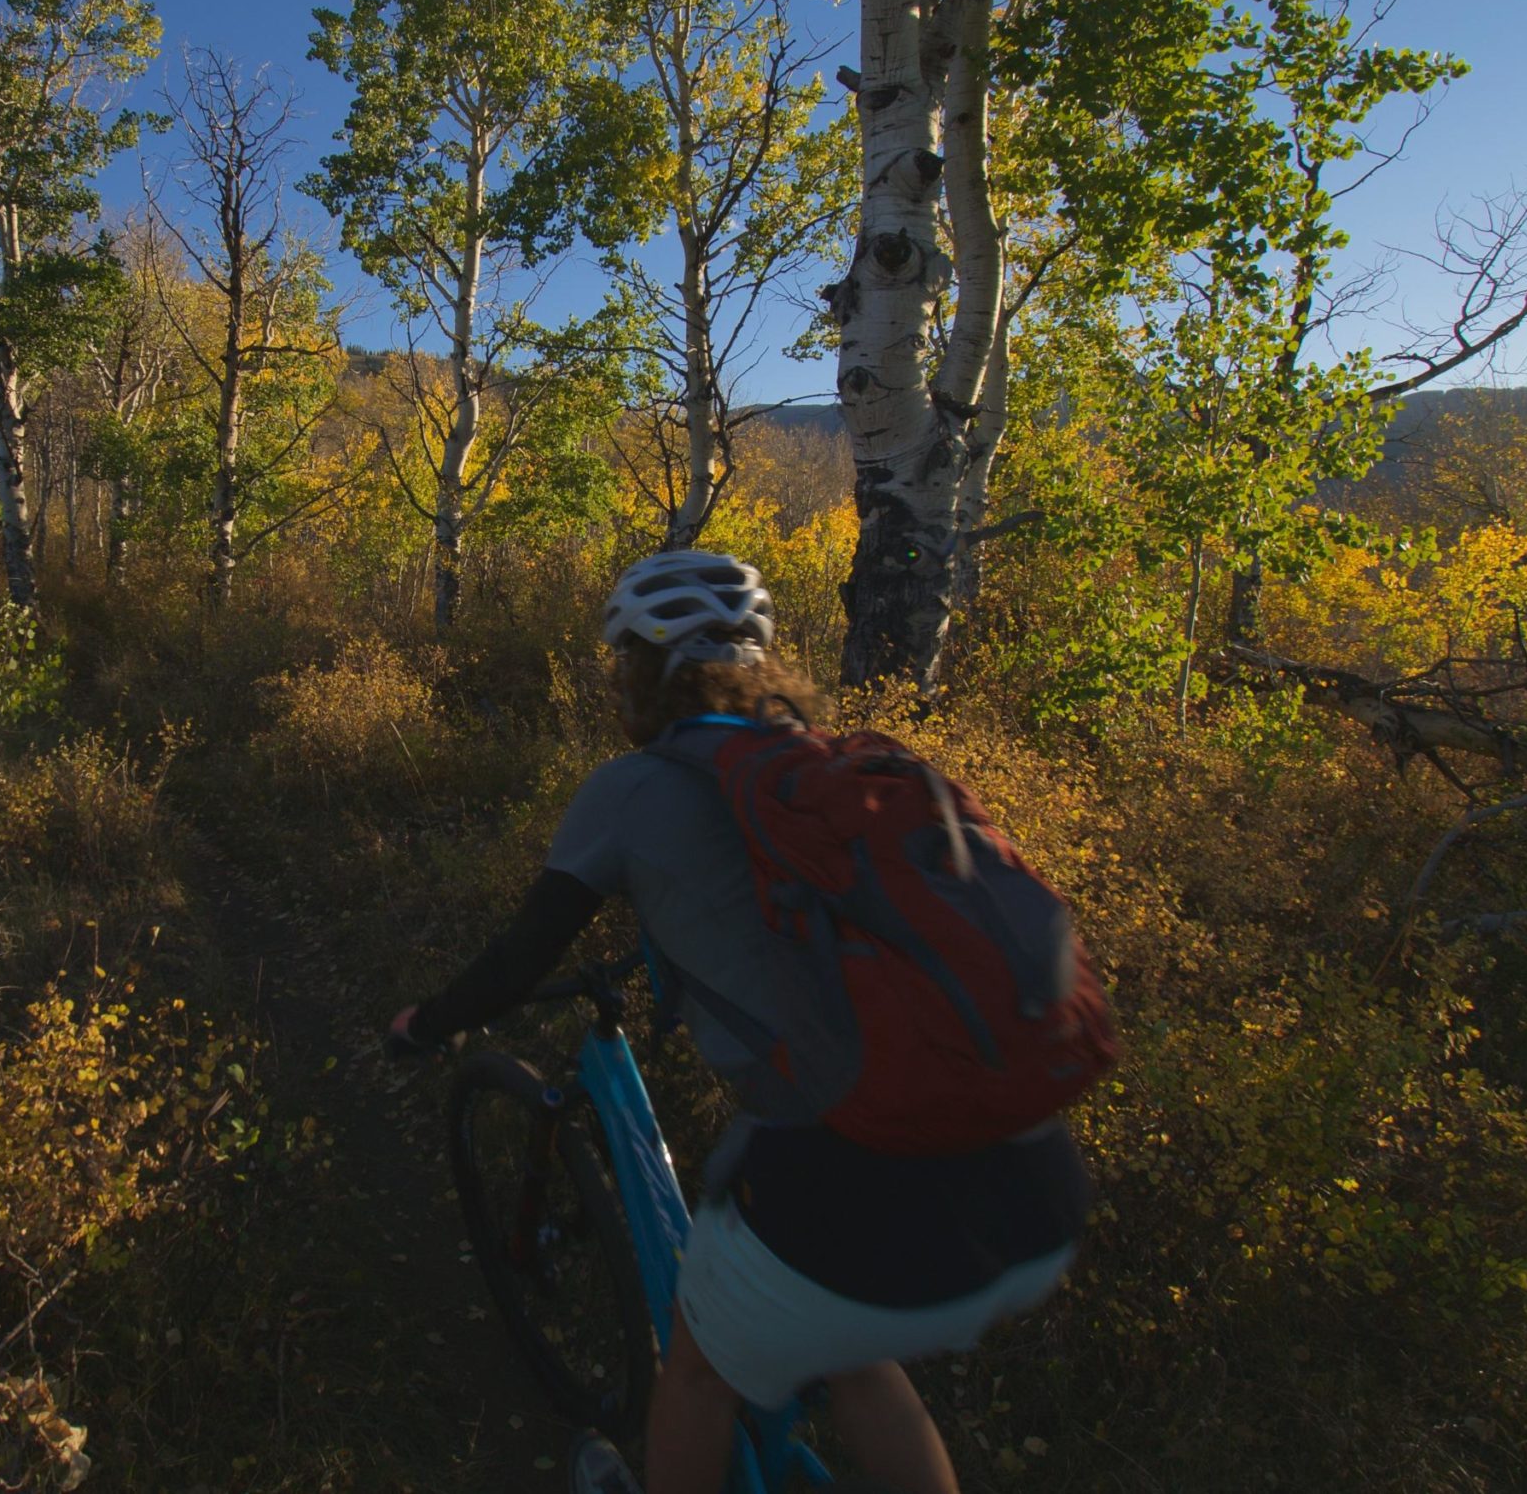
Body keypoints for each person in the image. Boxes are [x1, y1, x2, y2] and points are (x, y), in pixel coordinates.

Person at [387, 550, 1093, 1494]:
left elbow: (520, 961)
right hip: (1031, 1182)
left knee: (696, 1368)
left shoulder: (629, 790)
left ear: (637, 671)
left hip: (845, 1169)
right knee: (852, 1350)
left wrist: (425, 1024)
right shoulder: (828, 774)